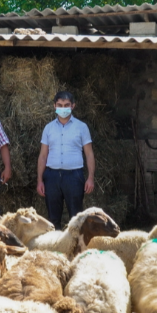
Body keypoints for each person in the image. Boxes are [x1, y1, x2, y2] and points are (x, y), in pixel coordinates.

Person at [36, 91, 95, 230]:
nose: (63, 108)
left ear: (73, 106)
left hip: (74, 176)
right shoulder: (48, 128)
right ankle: (55, 248)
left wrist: (90, 178)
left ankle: (76, 248)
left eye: (66, 105)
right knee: (52, 217)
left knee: (76, 217)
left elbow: (89, 154)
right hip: (52, 176)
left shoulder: (81, 127)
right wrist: (40, 180)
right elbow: (43, 156)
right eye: (60, 105)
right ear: (54, 106)